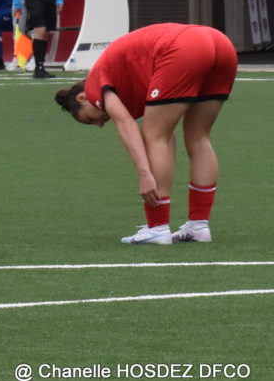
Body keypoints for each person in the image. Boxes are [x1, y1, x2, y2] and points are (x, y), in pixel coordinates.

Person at [54, 23, 237, 245]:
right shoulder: (121, 82)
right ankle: (198, 227)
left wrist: (144, 174)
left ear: (82, 98)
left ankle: (157, 227)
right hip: (219, 43)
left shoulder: (94, 83)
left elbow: (126, 124)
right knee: (198, 138)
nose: (100, 123)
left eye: (91, 119)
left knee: (154, 136)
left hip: (185, 46)